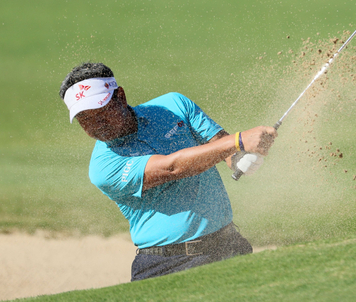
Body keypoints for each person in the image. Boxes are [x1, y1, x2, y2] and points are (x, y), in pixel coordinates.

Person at [59, 62, 277, 281]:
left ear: (121, 96)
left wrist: (240, 156)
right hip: (168, 265)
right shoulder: (103, 167)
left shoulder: (174, 105)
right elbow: (172, 168)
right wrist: (239, 141)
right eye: (84, 119)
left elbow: (222, 146)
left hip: (229, 245)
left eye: (101, 110)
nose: (96, 124)